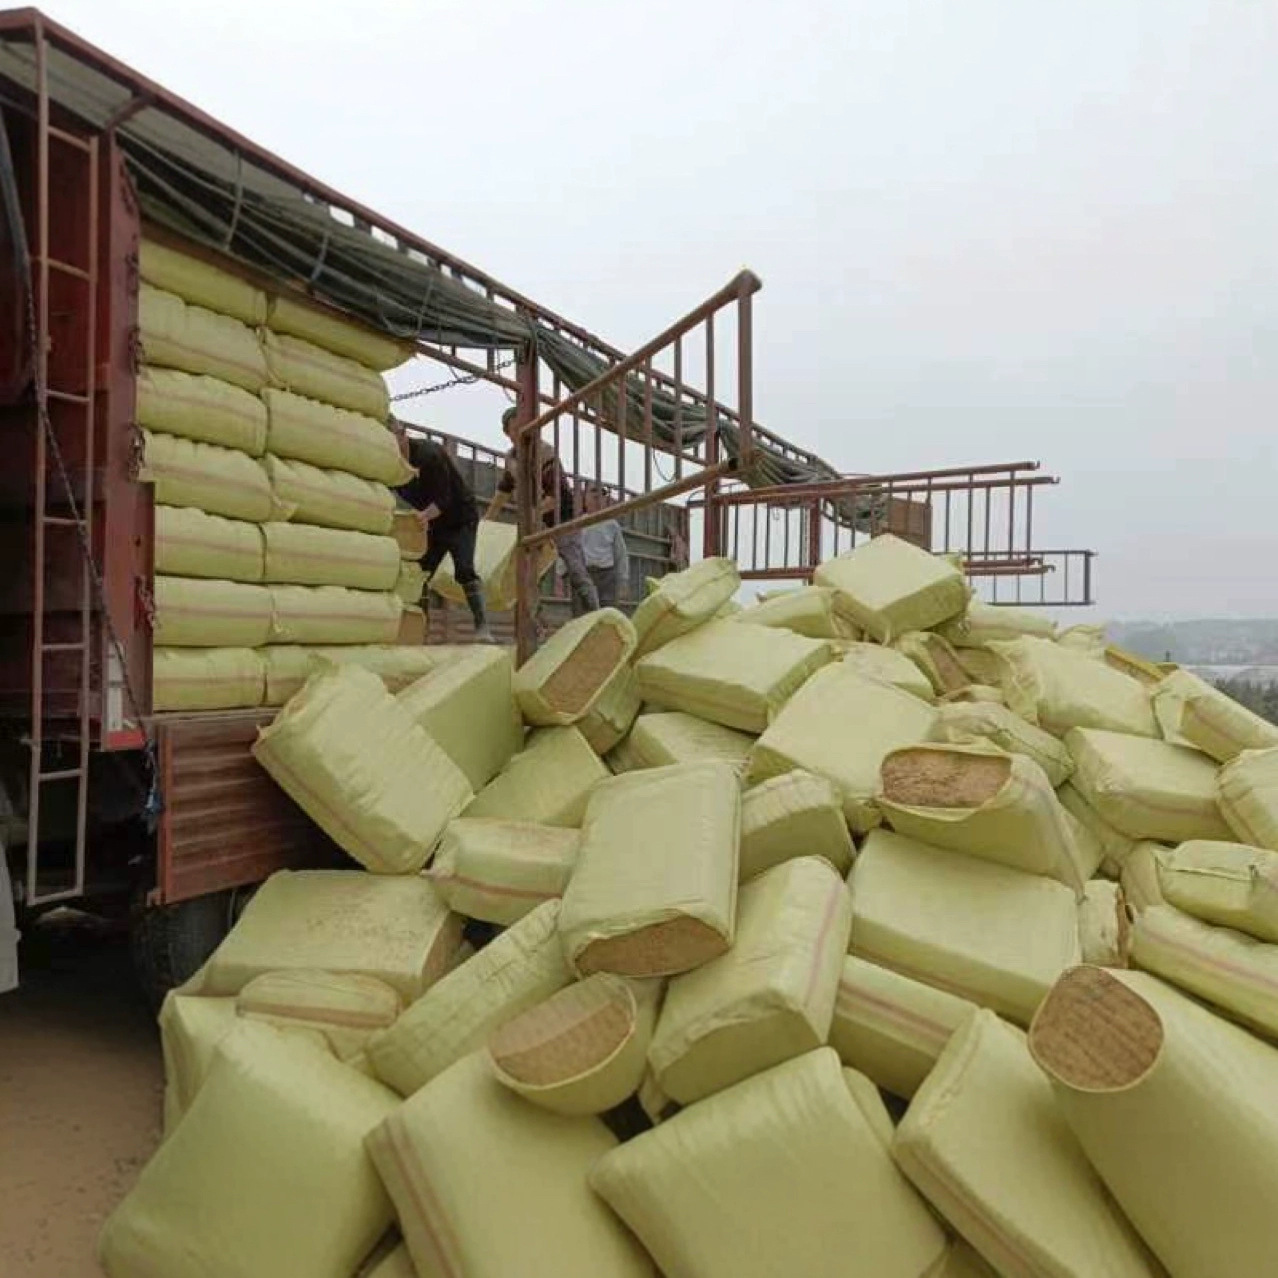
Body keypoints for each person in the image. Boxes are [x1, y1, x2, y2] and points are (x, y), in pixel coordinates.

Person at [485, 407, 599, 616]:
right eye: (515, 428)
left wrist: (532, 516)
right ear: (507, 433)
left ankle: (594, 614)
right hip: (537, 521)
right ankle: (535, 623)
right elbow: (504, 490)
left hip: (561, 518)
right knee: (530, 574)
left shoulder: (545, 454)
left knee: (576, 570)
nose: (521, 432)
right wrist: (487, 521)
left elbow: (556, 496)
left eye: (524, 426)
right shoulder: (512, 459)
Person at [393, 426, 494, 642]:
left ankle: (482, 627)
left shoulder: (430, 455)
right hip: (434, 523)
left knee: (464, 570)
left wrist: (423, 516)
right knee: (420, 573)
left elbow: (443, 500)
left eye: (392, 440)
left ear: (402, 435)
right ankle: (419, 631)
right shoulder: (391, 466)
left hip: (460, 519)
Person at [577, 483, 629, 611]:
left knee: (607, 612)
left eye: (603, 493)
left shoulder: (611, 525)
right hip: (584, 574)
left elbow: (620, 554)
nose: (598, 496)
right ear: (585, 498)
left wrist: (623, 581)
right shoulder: (578, 523)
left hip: (607, 575)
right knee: (583, 613)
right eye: (593, 491)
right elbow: (571, 548)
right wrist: (561, 572)